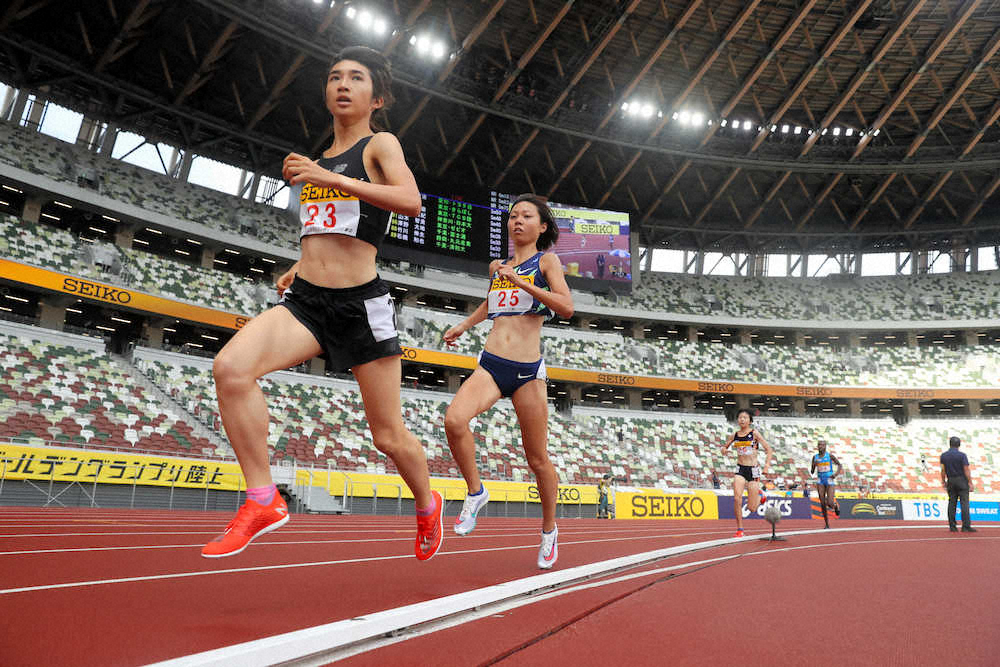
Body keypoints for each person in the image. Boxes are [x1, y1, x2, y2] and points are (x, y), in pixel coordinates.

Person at [202, 46, 443, 560]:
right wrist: (299, 263)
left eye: (356, 78)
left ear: (376, 97)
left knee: (387, 435)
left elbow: (411, 201)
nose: (342, 84)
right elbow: (328, 228)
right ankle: (263, 499)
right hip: (309, 301)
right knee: (231, 369)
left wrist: (329, 178)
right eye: (335, 76)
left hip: (362, 306)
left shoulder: (380, 145)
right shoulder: (321, 156)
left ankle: (427, 503)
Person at [443, 194, 574, 569]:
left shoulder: (546, 261)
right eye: (513, 215)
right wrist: (463, 325)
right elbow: (492, 302)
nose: (517, 221)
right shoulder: (496, 266)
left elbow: (565, 306)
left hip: (527, 373)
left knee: (537, 459)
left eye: (526, 216)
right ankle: (476, 491)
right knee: (454, 420)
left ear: (542, 226)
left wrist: (523, 282)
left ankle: (549, 531)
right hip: (491, 365)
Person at [721, 408, 773, 537]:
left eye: (745, 417)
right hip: (740, 469)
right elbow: (724, 446)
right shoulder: (735, 435)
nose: (742, 419)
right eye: (740, 417)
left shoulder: (755, 434)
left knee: (752, 509)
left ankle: (761, 494)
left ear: (750, 420)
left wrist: (766, 466)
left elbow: (769, 449)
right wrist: (723, 450)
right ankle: (740, 529)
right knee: (737, 498)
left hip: (753, 471)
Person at [940, 436, 976, 533]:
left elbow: (943, 470)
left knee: (952, 503)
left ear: (950, 444)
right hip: (961, 480)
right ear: (959, 444)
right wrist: (970, 482)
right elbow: (966, 469)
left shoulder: (944, 456)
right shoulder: (962, 455)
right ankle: (965, 526)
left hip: (951, 480)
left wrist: (943, 481)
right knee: (964, 503)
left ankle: (952, 526)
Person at [810, 440, 842, 529]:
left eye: (822, 445)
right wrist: (813, 465)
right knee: (822, 502)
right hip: (820, 480)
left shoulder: (830, 456)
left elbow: (840, 465)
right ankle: (827, 524)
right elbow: (812, 472)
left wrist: (835, 474)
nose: (820, 446)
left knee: (829, 502)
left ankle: (835, 505)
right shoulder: (815, 457)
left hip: (829, 479)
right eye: (819, 445)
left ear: (825, 446)